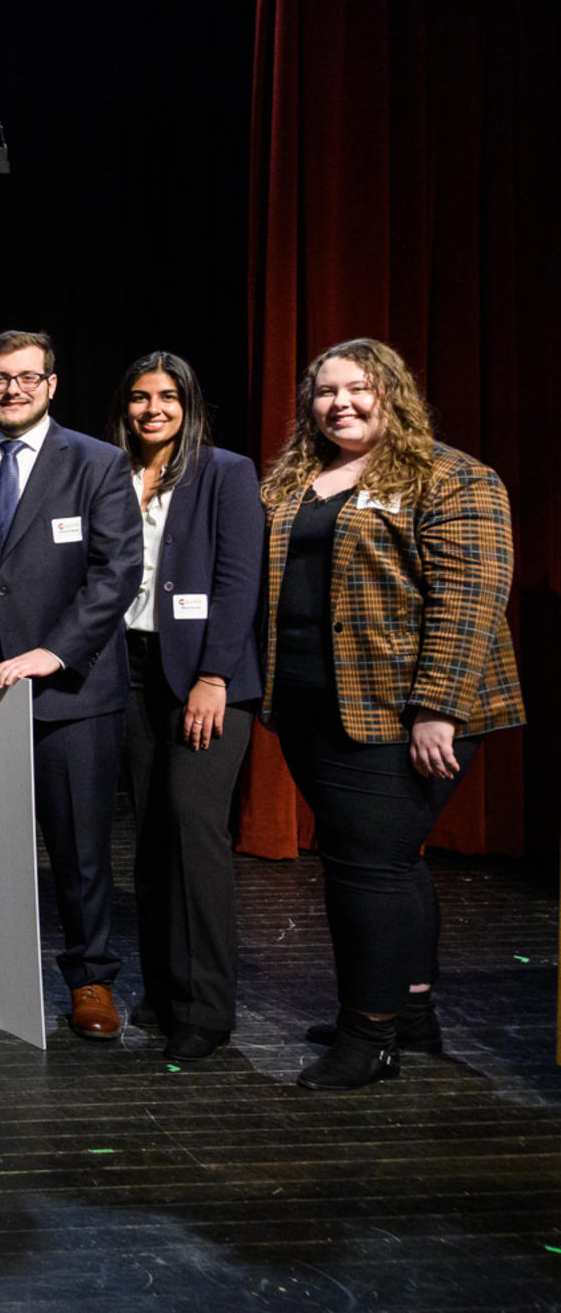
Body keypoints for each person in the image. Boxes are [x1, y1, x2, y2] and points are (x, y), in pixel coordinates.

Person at [257, 338, 523, 1089]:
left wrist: (438, 708)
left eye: (357, 388)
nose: (339, 402)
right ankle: (409, 1013)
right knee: (390, 860)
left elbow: (469, 601)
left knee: (364, 867)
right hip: (313, 706)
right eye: (324, 391)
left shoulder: (452, 475)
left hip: (408, 710)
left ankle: (367, 1035)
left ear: (393, 393)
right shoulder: (297, 480)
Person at [0, 331, 141, 1041]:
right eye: (0, 379)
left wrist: (55, 652)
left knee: (80, 849)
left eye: (27, 378)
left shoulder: (98, 464)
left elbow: (116, 573)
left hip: (72, 694)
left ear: (52, 384)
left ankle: (90, 978)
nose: (13, 389)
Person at [107, 352, 262, 1063]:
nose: (152, 409)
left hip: (203, 675)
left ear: (189, 402)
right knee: (153, 835)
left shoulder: (224, 471)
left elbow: (236, 583)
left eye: (167, 396)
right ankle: (167, 989)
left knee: (197, 833)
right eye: (140, 397)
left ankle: (207, 1006)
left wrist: (214, 675)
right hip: (130, 669)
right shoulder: (109, 472)